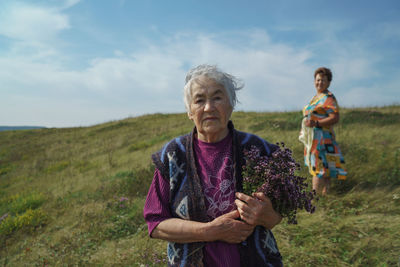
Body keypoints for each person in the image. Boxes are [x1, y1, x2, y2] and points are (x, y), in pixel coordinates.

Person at [143, 64, 283, 267]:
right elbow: (155, 224)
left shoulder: (257, 150)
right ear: (190, 111)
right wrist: (210, 231)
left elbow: (276, 218)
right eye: (199, 100)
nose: (209, 107)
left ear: (231, 104)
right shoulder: (173, 155)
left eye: (217, 97)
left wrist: (266, 215)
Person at [299, 67, 347, 196]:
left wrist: (316, 123)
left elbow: (335, 117)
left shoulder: (328, 97)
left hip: (322, 137)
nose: (320, 83)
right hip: (313, 137)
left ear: (329, 82)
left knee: (318, 166)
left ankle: (314, 197)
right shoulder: (316, 97)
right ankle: (325, 195)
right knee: (324, 166)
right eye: (318, 80)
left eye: (323, 80)